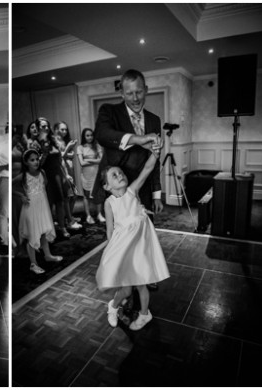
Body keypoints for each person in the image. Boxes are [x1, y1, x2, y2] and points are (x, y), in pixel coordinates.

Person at [94, 69, 164, 290]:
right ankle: (122, 274)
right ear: (122, 93)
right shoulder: (109, 111)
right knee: (119, 236)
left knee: (145, 236)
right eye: (130, 93)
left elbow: (155, 159)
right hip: (116, 188)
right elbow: (103, 135)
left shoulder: (154, 119)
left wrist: (156, 193)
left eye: (139, 92)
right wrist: (139, 138)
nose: (135, 98)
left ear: (146, 91)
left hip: (141, 188)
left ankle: (147, 274)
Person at [96, 149, 169, 331]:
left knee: (142, 284)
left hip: (139, 247)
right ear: (107, 186)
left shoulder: (132, 191)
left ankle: (145, 314)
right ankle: (113, 306)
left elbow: (147, 169)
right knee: (127, 290)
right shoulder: (109, 203)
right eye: (114, 175)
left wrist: (156, 152)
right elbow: (110, 230)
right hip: (123, 248)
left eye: (120, 173)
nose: (120, 175)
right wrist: (111, 255)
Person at [13, 149, 62, 274]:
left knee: (44, 231)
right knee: (33, 234)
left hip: (42, 206)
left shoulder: (42, 173)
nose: (36, 162)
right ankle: (33, 264)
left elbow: (44, 186)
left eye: (37, 159)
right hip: (31, 208)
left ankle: (47, 255)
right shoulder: (23, 176)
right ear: (26, 162)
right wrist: (21, 195)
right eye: (32, 160)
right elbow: (11, 186)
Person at [37, 118, 77, 237]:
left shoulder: (52, 140)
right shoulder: (36, 143)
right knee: (49, 203)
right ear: (37, 127)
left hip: (58, 173)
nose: (46, 128)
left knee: (61, 201)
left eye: (47, 126)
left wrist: (65, 174)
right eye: (43, 126)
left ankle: (63, 227)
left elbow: (60, 158)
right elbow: (37, 164)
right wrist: (44, 152)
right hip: (46, 174)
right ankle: (49, 228)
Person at [54, 121, 80, 228]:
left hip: (69, 170)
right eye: (62, 129)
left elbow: (70, 155)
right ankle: (69, 220)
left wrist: (68, 152)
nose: (65, 131)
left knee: (74, 195)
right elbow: (59, 157)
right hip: (62, 171)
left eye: (66, 129)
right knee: (68, 196)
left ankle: (69, 216)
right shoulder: (55, 141)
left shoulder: (64, 141)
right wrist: (68, 149)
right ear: (56, 129)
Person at [77, 128, 105, 224]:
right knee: (86, 196)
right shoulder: (80, 147)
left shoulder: (97, 146)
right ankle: (88, 216)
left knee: (98, 194)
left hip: (96, 174)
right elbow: (81, 163)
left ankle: (99, 214)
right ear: (84, 137)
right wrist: (94, 160)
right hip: (85, 175)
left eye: (91, 135)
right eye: (87, 135)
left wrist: (88, 160)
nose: (90, 137)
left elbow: (101, 161)